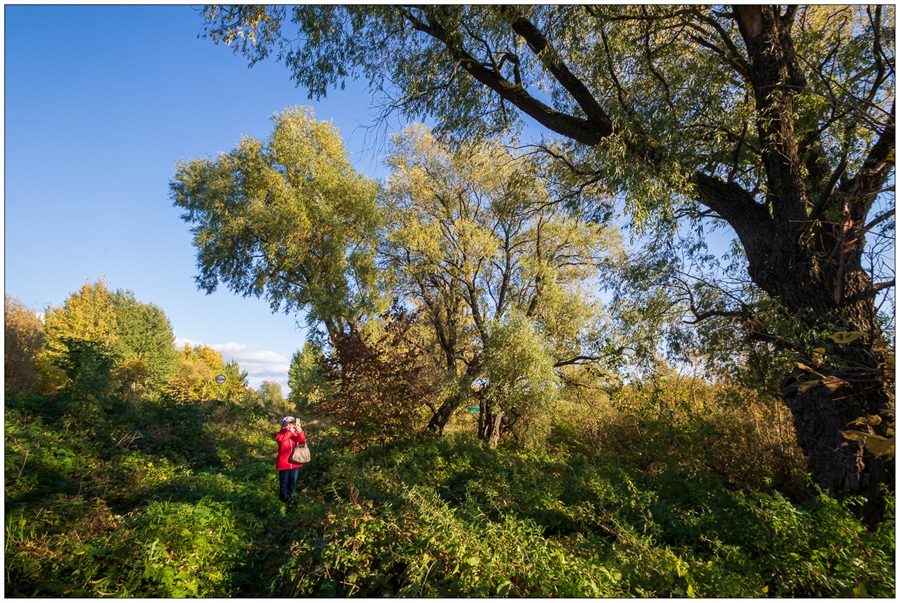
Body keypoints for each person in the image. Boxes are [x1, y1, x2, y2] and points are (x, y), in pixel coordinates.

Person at [275, 416, 306, 503]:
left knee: (292, 482)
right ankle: (283, 500)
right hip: (284, 463)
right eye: (288, 423)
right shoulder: (279, 434)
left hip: (295, 462)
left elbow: (302, 442)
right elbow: (282, 440)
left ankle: (291, 499)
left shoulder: (295, 433)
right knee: (284, 483)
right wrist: (289, 431)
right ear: (283, 424)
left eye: (291, 423)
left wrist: (300, 431)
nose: (290, 425)